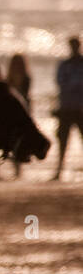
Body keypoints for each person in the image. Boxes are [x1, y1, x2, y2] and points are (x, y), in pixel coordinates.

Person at [54, 36, 83, 181]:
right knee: (62, 140)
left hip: (80, 108)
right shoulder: (65, 65)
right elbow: (60, 83)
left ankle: (59, 170)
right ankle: (59, 170)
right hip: (66, 108)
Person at [5, 53, 31, 179]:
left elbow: (23, 96)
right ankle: (16, 169)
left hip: (20, 113)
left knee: (19, 140)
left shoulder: (25, 78)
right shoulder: (9, 78)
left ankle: (18, 169)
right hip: (11, 113)